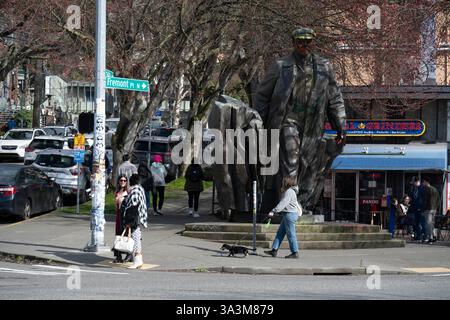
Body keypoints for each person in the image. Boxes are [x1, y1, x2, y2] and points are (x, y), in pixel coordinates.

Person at [254, 27, 346, 215]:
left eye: (308, 41)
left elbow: (334, 97)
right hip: (287, 120)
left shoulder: (324, 67)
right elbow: (262, 96)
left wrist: (341, 125)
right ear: (294, 43)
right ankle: (287, 202)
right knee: (291, 156)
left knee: (309, 165)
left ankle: (299, 204)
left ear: (314, 42)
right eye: (300, 41)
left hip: (313, 123)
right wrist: (260, 123)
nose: (304, 45)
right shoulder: (281, 66)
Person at [264, 176, 302, 259]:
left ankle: (295, 252)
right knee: (280, 233)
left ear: (287, 183)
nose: (282, 183)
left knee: (291, 234)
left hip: (290, 215)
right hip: (288, 214)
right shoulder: (289, 191)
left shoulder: (289, 192)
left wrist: (273, 211)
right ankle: (274, 250)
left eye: (284, 181)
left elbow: (283, 203)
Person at [123, 174, 148, 269]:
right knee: (137, 237)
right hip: (139, 216)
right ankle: (138, 259)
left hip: (134, 217)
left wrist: (128, 221)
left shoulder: (134, 190)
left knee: (135, 238)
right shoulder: (140, 189)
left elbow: (132, 205)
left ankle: (137, 260)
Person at [112, 174, 129, 263]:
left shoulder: (128, 192)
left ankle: (129, 255)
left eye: (124, 180)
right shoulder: (117, 192)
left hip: (125, 216)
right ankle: (118, 255)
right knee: (118, 235)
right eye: (121, 180)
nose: (123, 182)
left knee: (126, 235)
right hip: (118, 215)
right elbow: (116, 205)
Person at [422, 177, 440, 243]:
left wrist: (423, 208)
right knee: (431, 223)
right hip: (434, 209)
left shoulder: (426, 189)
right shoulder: (435, 189)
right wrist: (436, 207)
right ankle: (434, 236)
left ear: (426, 182)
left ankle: (430, 238)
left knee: (428, 224)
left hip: (428, 208)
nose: (423, 183)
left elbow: (425, 200)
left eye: (423, 182)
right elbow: (438, 199)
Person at [408, 176, 424, 241]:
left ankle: (420, 236)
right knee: (416, 223)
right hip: (414, 208)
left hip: (420, 208)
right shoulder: (413, 188)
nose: (412, 184)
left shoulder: (421, 188)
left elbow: (421, 198)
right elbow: (413, 197)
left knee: (420, 223)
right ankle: (417, 236)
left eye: (413, 182)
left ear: (416, 181)